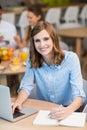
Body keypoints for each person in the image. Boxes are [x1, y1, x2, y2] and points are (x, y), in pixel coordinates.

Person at [12, 21, 86, 120]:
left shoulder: (71, 59)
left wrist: (68, 110)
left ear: (53, 39)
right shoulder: (32, 58)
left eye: (46, 39)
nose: (42, 44)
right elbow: (26, 85)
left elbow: (79, 95)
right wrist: (18, 102)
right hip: (43, 110)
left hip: (67, 108)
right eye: (37, 40)